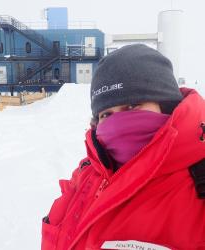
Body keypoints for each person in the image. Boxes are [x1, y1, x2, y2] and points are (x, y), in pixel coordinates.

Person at [41, 44, 205, 250]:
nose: (117, 124)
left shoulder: (198, 185)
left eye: (132, 106)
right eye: (106, 115)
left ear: (168, 107)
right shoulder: (88, 172)